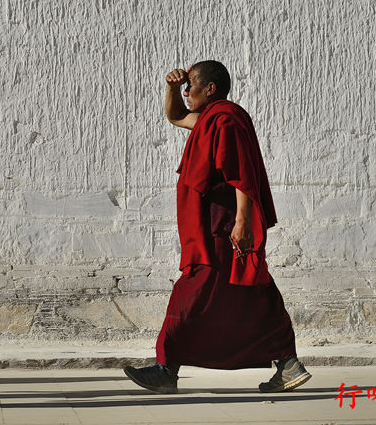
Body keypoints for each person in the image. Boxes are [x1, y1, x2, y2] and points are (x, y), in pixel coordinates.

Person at [124, 61, 311, 395]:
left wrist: (242, 222)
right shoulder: (210, 120)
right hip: (211, 222)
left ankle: (166, 369)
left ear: (210, 89)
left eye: (190, 85)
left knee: (192, 289)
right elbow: (175, 116)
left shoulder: (225, 120)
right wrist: (170, 87)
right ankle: (288, 364)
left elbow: (242, 175)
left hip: (221, 225)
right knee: (252, 289)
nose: (185, 91)